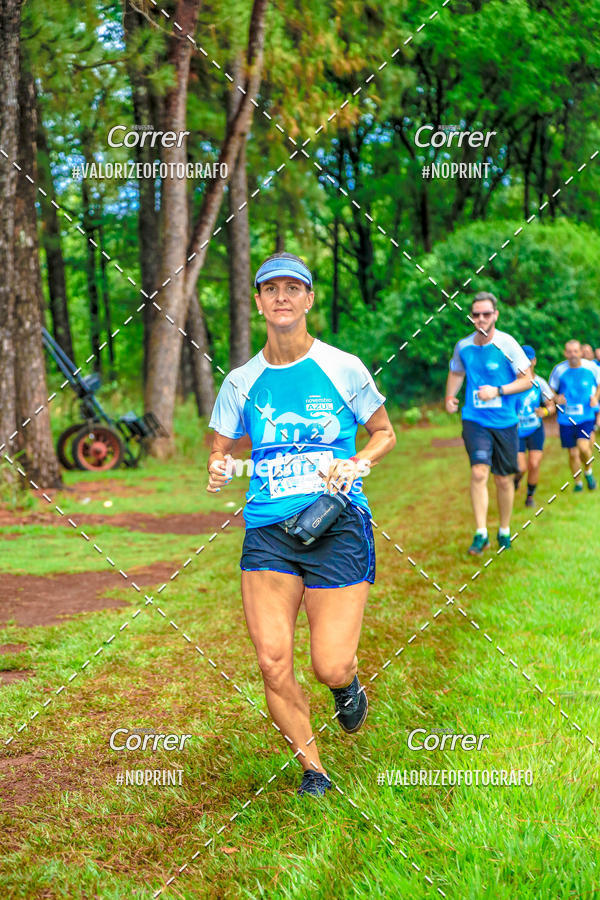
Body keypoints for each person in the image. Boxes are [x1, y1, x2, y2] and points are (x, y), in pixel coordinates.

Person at [206, 252, 396, 798]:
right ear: (259, 302)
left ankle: (346, 684)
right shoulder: (242, 381)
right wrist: (219, 464)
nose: (283, 297)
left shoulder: (343, 366)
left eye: (294, 288)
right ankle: (314, 768)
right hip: (267, 530)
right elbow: (221, 445)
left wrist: (356, 462)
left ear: (309, 299)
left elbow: (384, 432)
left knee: (329, 663)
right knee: (271, 661)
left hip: (336, 523)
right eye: (272, 289)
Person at [445, 291, 533, 555]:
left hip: (505, 421)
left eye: (486, 314)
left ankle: (504, 529)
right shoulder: (463, 346)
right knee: (479, 472)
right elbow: (456, 371)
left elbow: (527, 380)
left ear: (495, 315)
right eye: (476, 315)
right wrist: (450, 396)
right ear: (471, 317)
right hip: (475, 419)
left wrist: (498, 391)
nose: (480, 319)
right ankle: (481, 532)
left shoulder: (507, 344)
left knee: (504, 480)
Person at [549, 340, 600, 492]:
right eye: (570, 352)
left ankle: (589, 473)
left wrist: (596, 398)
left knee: (584, 447)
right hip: (566, 418)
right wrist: (556, 398)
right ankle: (578, 483)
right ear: (565, 353)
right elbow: (550, 389)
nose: (573, 355)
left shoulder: (591, 368)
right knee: (572, 453)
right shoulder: (559, 370)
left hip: (586, 415)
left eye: (576, 351)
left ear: (580, 352)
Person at [514, 346, 555, 507]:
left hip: (535, 429)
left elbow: (552, 405)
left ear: (534, 361)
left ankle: (530, 496)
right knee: (520, 467)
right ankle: (516, 480)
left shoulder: (540, 383)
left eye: (529, 360)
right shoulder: (512, 382)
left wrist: (544, 411)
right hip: (516, 431)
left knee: (535, 463)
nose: (526, 363)